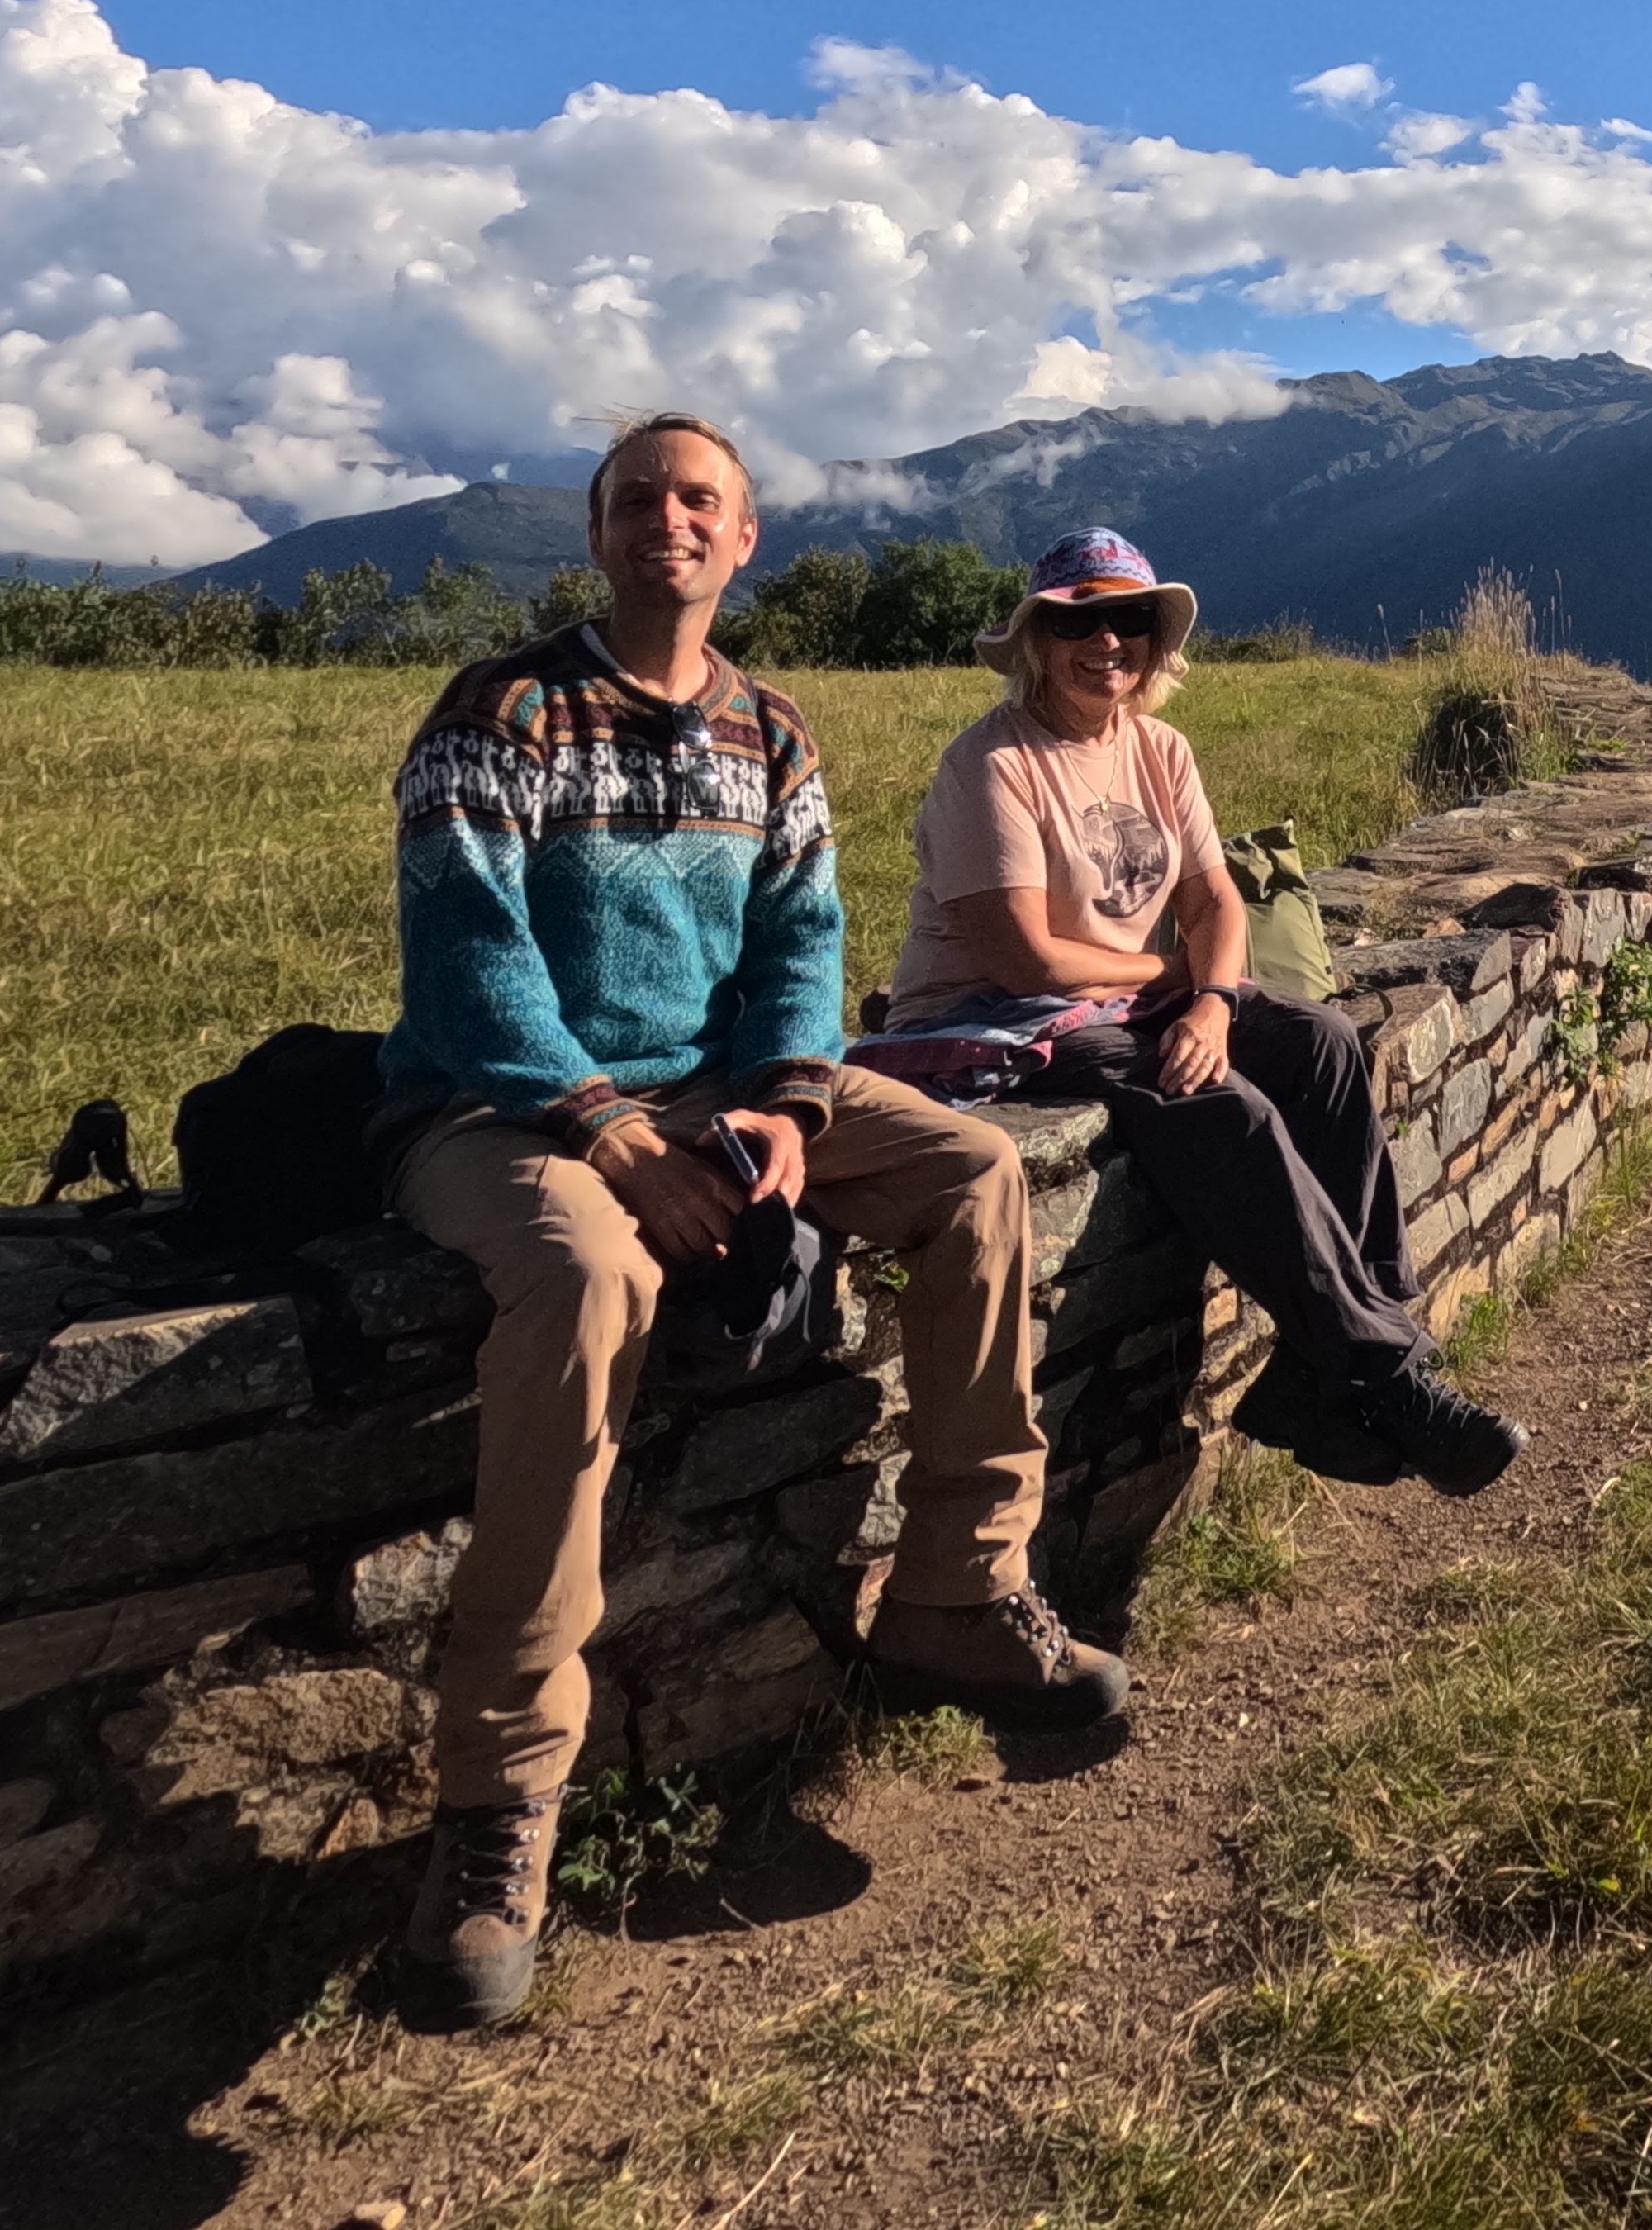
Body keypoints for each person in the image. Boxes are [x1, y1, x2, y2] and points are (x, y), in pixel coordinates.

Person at [377, 415, 1129, 2036]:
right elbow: (466, 962)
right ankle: (499, 1803)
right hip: (502, 1109)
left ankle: (954, 1581)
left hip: (717, 1092)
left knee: (974, 1171)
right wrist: (609, 1127)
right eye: (639, 497)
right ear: (597, 537)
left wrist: (788, 1109)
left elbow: (802, 946)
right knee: (585, 1281)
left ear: (745, 539)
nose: (669, 519)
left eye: (697, 499)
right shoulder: (498, 716)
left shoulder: (771, 737)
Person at [862, 527, 1522, 1502]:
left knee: (1327, 1045)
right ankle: (1390, 1378)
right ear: (1038, 638)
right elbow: (1022, 955)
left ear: (1155, 640)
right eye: (1080, 621)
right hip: (997, 1013)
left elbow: (1216, 901)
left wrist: (1210, 1000)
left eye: (1129, 620)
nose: (1108, 644)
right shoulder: (993, 766)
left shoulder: (1158, 748)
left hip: (1139, 989)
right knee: (1224, 1109)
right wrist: (1169, 975)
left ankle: (1327, 1374)